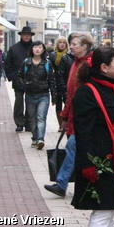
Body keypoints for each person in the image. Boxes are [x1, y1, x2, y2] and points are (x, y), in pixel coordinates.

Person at [72, 46, 114, 227]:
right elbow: (83, 133)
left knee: (108, 210)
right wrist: (88, 165)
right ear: (104, 67)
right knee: (103, 211)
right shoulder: (86, 92)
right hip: (98, 162)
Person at [44, 33, 94, 198]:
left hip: (84, 118)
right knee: (78, 152)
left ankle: (62, 183)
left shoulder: (88, 65)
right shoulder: (75, 63)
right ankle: (85, 184)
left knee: (72, 148)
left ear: (84, 46)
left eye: (74, 44)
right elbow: (70, 94)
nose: (70, 46)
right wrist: (65, 117)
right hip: (74, 117)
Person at [18, 41, 56, 150]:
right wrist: (24, 85)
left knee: (41, 117)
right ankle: (34, 138)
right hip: (30, 94)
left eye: (40, 47)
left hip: (43, 94)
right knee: (32, 119)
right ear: (32, 49)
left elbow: (51, 80)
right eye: (35, 47)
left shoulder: (47, 63)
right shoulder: (26, 63)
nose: (37, 49)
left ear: (43, 49)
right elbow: (20, 76)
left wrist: (54, 96)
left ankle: (40, 139)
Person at [5, 26, 34, 132]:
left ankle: (29, 122)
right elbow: (8, 64)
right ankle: (19, 123)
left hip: (32, 79)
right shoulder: (14, 48)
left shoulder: (35, 47)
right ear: (21, 35)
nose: (26, 36)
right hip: (18, 79)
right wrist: (12, 76)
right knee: (19, 102)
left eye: (28, 34)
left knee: (30, 102)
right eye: (24, 34)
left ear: (31, 36)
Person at [50, 36, 70, 131]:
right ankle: (60, 124)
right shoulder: (53, 55)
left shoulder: (69, 55)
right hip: (56, 82)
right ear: (57, 44)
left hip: (67, 81)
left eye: (64, 43)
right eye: (60, 42)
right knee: (58, 103)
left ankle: (66, 123)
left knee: (66, 102)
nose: (62, 44)